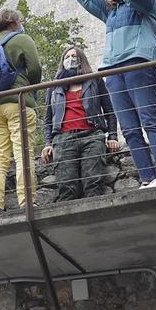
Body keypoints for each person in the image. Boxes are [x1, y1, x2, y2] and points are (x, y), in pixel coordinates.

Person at [75, 0, 156, 186]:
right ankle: (147, 178)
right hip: (112, 71)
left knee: (149, 120)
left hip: (139, 64)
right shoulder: (110, 10)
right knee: (129, 129)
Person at [0, 6, 43, 212]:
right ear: (13, 23)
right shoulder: (21, 39)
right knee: (23, 152)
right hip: (18, 102)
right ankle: (26, 200)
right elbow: (35, 68)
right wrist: (30, 88)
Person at [40, 44, 115, 199]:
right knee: (67, 188)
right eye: (67, 57)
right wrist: (48, 143)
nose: (70, 59)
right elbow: (48, 119)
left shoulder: (94, 80)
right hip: (63, 139)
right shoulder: (54, 87)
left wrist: (113, 137)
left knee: (94, 184)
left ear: (82, 60)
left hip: (92, 136)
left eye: (74, 56)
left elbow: (109, 110)